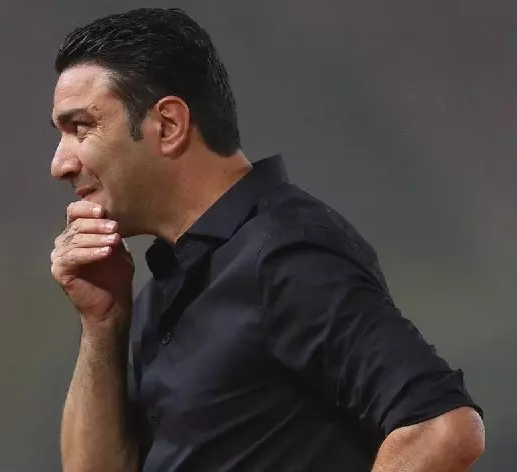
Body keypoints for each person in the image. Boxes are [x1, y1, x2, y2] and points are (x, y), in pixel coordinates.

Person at [48, 8, 485, 472]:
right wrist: (103, 323)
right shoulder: (165, 289)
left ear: (169, 125)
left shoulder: (286, 251)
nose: (60, 165)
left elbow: (444, 429)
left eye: (81, 127)